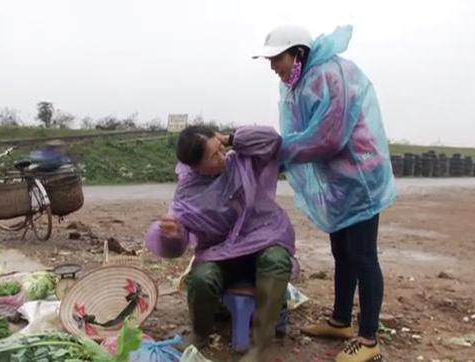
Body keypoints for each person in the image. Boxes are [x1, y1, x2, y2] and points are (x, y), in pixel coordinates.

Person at [253, 25, 397, 362]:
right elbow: (300, 131)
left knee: (363, 255)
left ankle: (368, 338)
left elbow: (327, 137)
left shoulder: (330, 76)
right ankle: (341, 320)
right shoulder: (297, 85)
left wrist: (278, 149)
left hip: (360, 178)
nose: (274, 66)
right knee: (342, 252)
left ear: (298, 53)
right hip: (339, 183)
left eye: (278, 58)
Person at [145, 125, 295, 362]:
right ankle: (200, 333)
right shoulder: (188, 191)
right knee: (202, 278)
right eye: (213, 156)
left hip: (260, 239)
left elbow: (272, 140)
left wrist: (231, 138)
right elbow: (181, 237)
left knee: (277, 259)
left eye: (220, 149)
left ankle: (262, 343)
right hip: (220, 254)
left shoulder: (241, 161)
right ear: (196, 166)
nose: (222, 156)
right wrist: (173, 234)